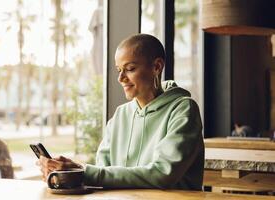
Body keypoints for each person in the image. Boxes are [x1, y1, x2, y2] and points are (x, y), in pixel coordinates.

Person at [38, 34, 204, 190]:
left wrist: (84, 172)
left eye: (130, 69)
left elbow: (163, 173)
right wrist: (69, 176)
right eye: (119, 70)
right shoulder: (120, 115)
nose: (121, 78)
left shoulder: (183, 109)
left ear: (156, 67)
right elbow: (103, 174)